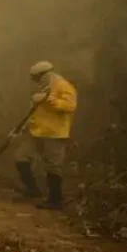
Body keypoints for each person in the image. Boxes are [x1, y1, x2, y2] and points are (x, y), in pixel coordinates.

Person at [13, 60, 78, 210]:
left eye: (36, 78)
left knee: (53, 166)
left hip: (54, 133)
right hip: (37, 131)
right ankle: (33, 191)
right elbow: (36, 112)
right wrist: (23, 127)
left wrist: (50, 100)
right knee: (21, 157)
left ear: (44, 74)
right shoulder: (44, 87)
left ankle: (55, 199)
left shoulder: (63, 85)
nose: (35, 81)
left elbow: (70, 106)